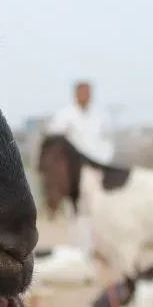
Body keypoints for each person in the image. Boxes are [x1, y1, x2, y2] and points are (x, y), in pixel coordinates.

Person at [44, 80, 115, 255]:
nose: (86, 96)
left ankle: (97, 248)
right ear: (76, 94)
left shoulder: (100, 116)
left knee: (97, 209)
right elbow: (55, 143)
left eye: (89, 93)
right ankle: (80, 250)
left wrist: (104, 162)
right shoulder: (64, 116)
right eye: (83, 92)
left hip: (98, 167)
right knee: (77, 210)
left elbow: (108, 141)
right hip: (75, 170)